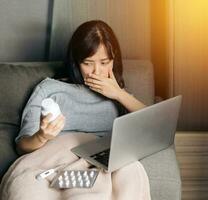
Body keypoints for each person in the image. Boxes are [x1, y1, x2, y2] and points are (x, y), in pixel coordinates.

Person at [16, 20, 146, 154]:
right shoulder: (49, 89)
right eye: (88, 63)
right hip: (58, 156)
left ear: (114, 60)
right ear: (76, 62)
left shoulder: (119, 95)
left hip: (100, 158)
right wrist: (41, 137)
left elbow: (154, 126)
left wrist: (120, 94)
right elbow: (21, 146)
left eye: (104, 62)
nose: (96, 72)